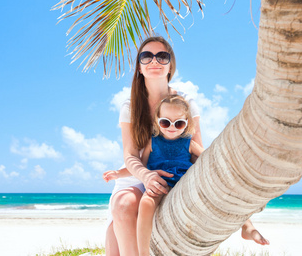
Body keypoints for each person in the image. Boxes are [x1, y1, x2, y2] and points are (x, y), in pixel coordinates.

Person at [105, 36, 266, 256]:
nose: (154, 60)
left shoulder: (185, 102)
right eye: (146, 56)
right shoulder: (131, 106)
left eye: (162, 56)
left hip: (176, 170)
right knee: (123, 206)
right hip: (139, 171)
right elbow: (131, 155)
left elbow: (197, 150)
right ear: (139, 67)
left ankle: (246, 226)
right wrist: (147, 175)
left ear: (171, 66)